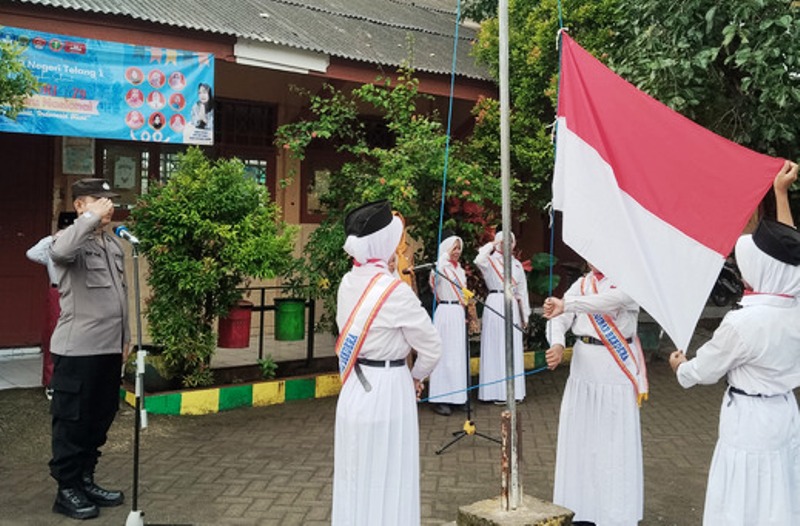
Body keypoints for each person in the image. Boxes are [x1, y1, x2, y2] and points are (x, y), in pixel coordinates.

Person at [669, 160, 800, 526]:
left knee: (743, 497)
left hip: (750, 420)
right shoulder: (795, 307)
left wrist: (681, 367)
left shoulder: (743, 324)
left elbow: (705, 371)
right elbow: (791, 255)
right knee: (780, 493)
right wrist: (780, 193)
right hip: (785, 412)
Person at [332, 200, 442, 526]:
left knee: (354, 476)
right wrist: (417, 377)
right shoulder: (395, 292)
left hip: (354, 389)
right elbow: (432, 348)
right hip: (390, 390)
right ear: (385, 246)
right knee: (389, 474)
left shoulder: (347, 282)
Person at [48, 179, 129, 520]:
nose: (107, 206)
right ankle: (66, 489)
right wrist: (88, 219)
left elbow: (120, 297)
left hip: (110, 350)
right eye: (99, 200)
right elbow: (60, 252)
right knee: (72, 422)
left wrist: (126, 339)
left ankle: (85, 479)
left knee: (99, 419)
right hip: (78, 351)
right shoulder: (68, 241)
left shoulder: (111, 245)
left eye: (109, 200)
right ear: (80, 205)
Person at [543, 263, 647, 526]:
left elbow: (607, 301)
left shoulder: (629, 281)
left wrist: (568, 304)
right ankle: (580, 507)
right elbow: (559, 316)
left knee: (612, 441)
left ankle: (615, 514)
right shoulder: (582, 283)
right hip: (583, 371)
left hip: (615, 371)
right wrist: (557, 342)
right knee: (582, 438)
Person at [473, 230, 530, 403]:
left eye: (510, 241)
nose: (507, 244)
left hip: (512, 304)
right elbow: (478, 259)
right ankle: (494, 392)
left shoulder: (517, 265)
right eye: (503, 241)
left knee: (511, 346)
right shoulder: (489, 261)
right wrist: (492, 245)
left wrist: (525, 315)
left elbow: (522, 292)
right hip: (495, 300)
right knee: (495, 344)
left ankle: (514, 392)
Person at [26, 212, 76, 400]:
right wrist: (52, 238)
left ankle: (72, 380)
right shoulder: (51, 246)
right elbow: (31, 254)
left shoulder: (79, 245)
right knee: (54, 336)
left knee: (77, 338)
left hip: (78, 293)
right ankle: (51, 382)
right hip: (57, 292)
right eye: (65, 228)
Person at [428, 234, 471, 416]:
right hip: (445, 311)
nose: (457, 252)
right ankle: (441, 398)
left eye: (459, 248)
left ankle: (458, 397)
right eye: (454, 248)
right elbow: (434, 280)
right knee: (444, 355)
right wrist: (443, 258)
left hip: (458, 313)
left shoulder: (459, 270)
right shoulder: (439, 267)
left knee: (458, 355)